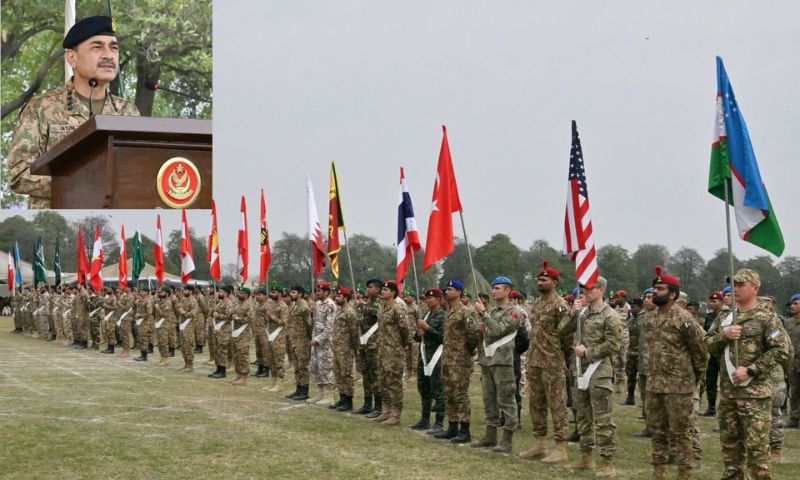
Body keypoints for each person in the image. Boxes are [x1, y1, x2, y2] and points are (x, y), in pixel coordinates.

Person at [6, 16, 139, 208]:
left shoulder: (128, 112)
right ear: (72, 58)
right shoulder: (42, 108)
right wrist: (78, 184)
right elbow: (18, 175)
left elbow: (137, 172)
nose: (109, 55)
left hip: (114, 225)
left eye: (114, 47)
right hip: (57, 227)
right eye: (97, 47)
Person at [705, 269, 790, 480]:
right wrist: (723, 336)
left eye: (741, 284)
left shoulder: (767, 318)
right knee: (730, 448)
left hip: (755, 395)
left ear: (755, 287)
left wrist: (752, 369)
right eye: (733, 284)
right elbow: (707, 344)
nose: (735, 288)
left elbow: (781, 350)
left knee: (757, 450)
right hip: (728, 393)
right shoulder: (725, 317)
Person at [644, 267, 708, 480]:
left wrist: (693, 379)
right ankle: (658, 473)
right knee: (658, 432)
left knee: (681, 434)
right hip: (654, 386)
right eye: (655, 288)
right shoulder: (650, 318)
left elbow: (700, 352)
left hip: (679, 387)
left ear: (673, 294)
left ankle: (684, 473)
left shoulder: (684, 319)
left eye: (660, 288)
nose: (655, 292)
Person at [558, 276, 622, 477]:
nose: (585, 291)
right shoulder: (582, 313)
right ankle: (586, 458)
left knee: (603, 420)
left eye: (590, 288)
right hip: (579, 372)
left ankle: (607, 461)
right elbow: (561, 330)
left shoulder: (610, 315)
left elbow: (614, 345)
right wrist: (572, 313)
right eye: (584, 287)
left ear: (601, 290)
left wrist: (588, 352)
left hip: (599, 373)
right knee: (582, 418)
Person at [519, 262, 572, 463]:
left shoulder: (560, 305)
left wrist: (565, 360)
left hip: (552, 361)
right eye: (539, 279)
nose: (540, 282)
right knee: (536, 403)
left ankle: (561, 447)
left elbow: (567, 337)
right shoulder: (537, 304)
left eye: (544, 279)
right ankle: (540, 444)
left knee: (557, 404)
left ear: (555, 282)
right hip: (534, 361)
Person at [472, 276, 520, 453]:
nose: (493, 291)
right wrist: (481, 327)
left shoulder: (514, 311)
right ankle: (490, 435)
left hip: (502, 362)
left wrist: (483, 314)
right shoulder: (491, 311)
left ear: (507, 291)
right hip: (487, 361)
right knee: (489, 399)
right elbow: (488, 332)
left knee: (506, 399)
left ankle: (507, 438)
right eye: (493, 288)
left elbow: (500, 330)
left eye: (497, 288)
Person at [434, 280, 479, 443]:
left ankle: (465, 429)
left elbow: (473, 334)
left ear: (459, 292)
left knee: (460, 394)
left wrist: (467, 349)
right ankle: (452, 427)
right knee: (449, 393)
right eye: (446, 289)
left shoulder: (466, 312)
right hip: (447, 359)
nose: (446, 292)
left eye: (450, 289)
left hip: (460, 360)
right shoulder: (449, 311)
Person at [370, 281, 409, 426]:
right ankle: (386, 410)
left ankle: (395, 414)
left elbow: (405, 330)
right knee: (383, 381)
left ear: (393, 292)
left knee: (394, 383)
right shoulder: (382, 307)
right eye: (382, 290)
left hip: (394, 351)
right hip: (382, 350)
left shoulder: (398, 308)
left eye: (385, 290)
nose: (382, 292)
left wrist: (399, 345)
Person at [409, 288, 445, 432]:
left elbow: (443, 337)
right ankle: (425, 420)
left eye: (431, 298)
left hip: (436, 357)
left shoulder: (443, 315)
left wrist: (427, 328)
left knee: (438, 390)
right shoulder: (426, 314)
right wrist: (419, 333)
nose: (427, 301)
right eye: (426, 299)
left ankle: (439, 423)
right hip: (424, 356)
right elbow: (419, 337)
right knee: (424, 388)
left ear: (438, 299)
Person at [329, 287, 359, 412]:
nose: (336, 298)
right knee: (339, 374)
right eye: (336, 296)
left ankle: (349, 401)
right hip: (337, 347)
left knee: (346, 375)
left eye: (339, 296)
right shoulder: (340, 311)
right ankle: (342, 398)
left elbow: (354, 332)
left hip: (346, 348)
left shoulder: (350, 312)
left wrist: (354, 348)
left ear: (346, 298)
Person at [308, 282, 337, 405]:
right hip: (316, 341)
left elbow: (330, 327)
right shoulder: (318, 304)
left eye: (319, 291)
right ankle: (321, 394)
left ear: (326, 292)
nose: (317, 293)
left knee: (325, 367)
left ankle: (328, 396)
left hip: (325, 343)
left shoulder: (330, 305)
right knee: (316, 367)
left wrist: (318, 339)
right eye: (316, 291)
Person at [356, 279, 382, 416]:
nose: (367, 289)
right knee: (366, 374)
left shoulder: (380, 303)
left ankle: (378, 406)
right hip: (364, 342)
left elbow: (375, 314)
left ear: (378, 289)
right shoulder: (368, 303)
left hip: (374, 343)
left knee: (375, 374)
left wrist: (362, 305)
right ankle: (367, 403)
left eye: (370, 287)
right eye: (367, 287)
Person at [700, 291, 725, 417]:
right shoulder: (709, 317)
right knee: (710, 381)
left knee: (725, 382)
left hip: (722, 354)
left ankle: (724, 410)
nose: (712, 303)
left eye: (715, 301)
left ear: (721, 302)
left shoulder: (727, 316)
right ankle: (711, 407)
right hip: (711, 354)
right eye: (711, 301)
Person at [285, 286, 312, 400]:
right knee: (296, 366)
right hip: (294, 340)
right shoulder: (294, 305)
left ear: (300, 294)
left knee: (303, 367)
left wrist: (310, 338)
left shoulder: (304, 307)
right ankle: (298, 389)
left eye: (293, 292)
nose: (291, 294)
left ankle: (304, 391)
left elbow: (309, 325)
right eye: (291, 292)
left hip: (303, 341)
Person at [263, 284, 289, 392]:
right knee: (271, 360)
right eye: (271, 292)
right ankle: (273, 382)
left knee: (278, 361)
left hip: (278, 336)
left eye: (274, 292)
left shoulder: (283, 306)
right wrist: (267, 318)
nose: (271, 294)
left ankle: (280, 383)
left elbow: (284, 322)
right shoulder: (272, 305)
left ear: (280, 293)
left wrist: (271, 317)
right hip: (270, 335)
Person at [209, 286, 235, 379]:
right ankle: (218, 369)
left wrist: (217, 315)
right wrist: (213, 310)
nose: (219, 293)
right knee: (217, 350)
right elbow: (211, 313)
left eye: (221, 292)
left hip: (224, 330)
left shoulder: (228, 303)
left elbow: (228, 316)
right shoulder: (220, 302)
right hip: (218, 329)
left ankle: (222, 371)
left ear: (226, 293)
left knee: (222, 350)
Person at [230, 287, 254, 386]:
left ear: (246, 295)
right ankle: (239, 374)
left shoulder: (249, 305)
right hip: (236, 333)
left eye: (242, 293)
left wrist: (237, 318)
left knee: (243, 355)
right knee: (237, 355)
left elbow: (249, 318)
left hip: (244, 334)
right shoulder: (238, 304)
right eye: (239, 292)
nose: (239, 294)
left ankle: (244, 377)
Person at [622, 297, 644, 406]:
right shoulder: (631, 319)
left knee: (642, 378)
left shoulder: (644, 318)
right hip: (631, 352)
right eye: (630, 307)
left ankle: (644, 401)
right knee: (630, 376)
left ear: (640, 307)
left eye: (634, 307)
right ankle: (630, 398)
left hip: (641, 353)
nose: (631, 309)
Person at [175, 286, 199, 372]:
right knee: (183, 346)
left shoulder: (193, 301)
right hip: (182, 325)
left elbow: (193, 314)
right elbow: (179, 309)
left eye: (186, 290)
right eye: (184, 290)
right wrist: (179, 307)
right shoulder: (184, 300)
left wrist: (183, 312)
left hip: (189, 326)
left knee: (188, 345)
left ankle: (190, 365)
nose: (184, 291)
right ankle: (186, 364)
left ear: (191, 291)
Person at [785, 294, 800, 429]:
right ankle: (794, 418)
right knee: (794, 392)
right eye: (792, 304)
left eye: (796, 303)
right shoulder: (788, 322)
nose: (792, 306)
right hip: (793, 363)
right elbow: (778, 336)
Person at [133, 287, 154, 362]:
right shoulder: (141, 300)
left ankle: (144, 356)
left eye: (142, 291)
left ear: (146, 292)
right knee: (141, 338)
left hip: (146, 322)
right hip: (141, 322)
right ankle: (142, 354)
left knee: (144, 339)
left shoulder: (148, 300)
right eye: (140, 291)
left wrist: (140, 315)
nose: (140, 292)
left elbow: (149, 312)